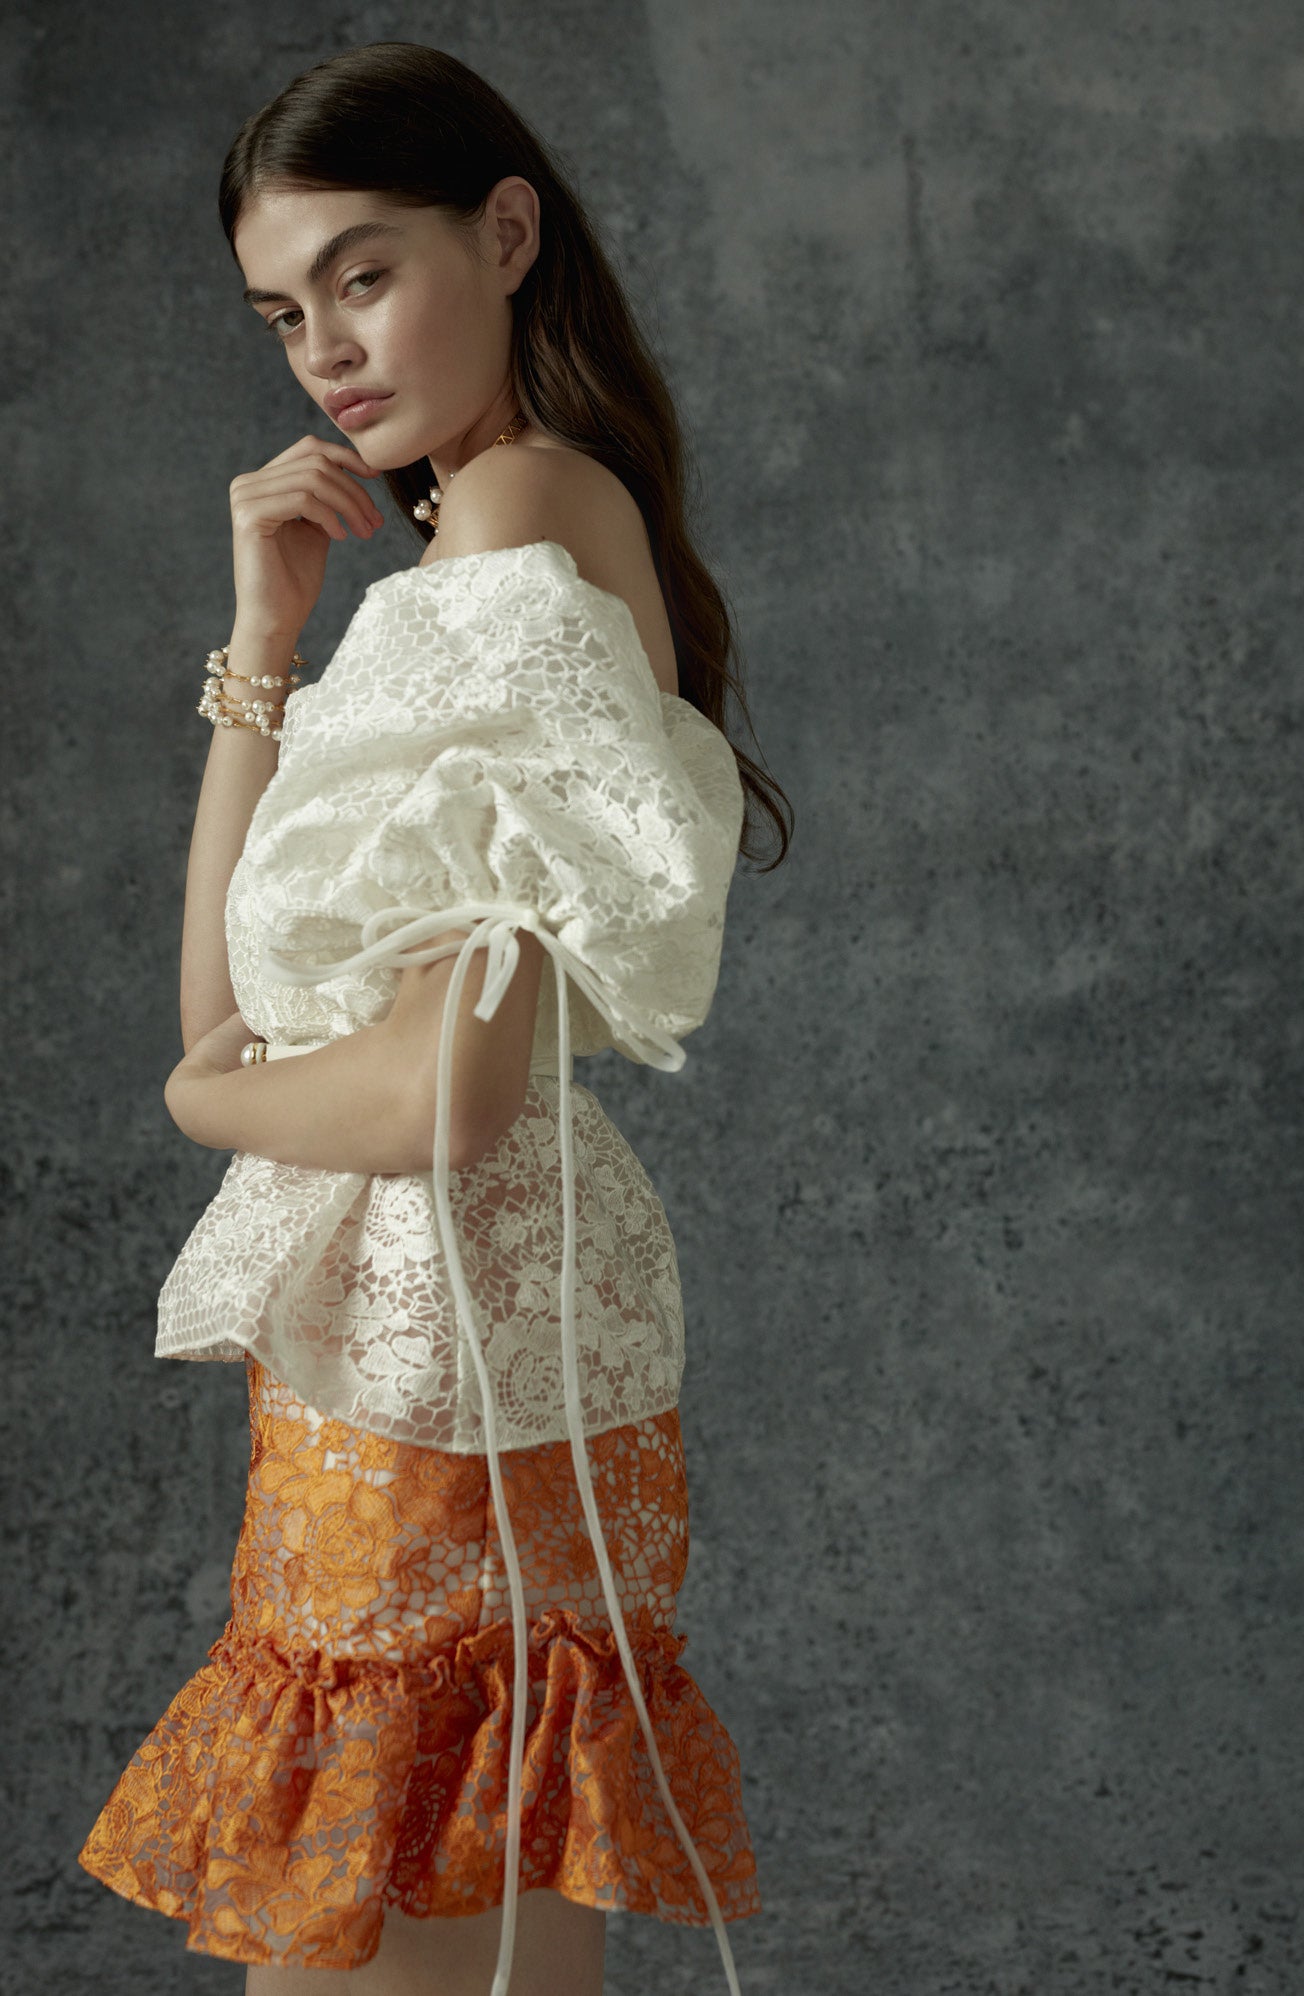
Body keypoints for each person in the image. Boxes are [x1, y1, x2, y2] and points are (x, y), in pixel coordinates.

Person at [76, 40, 792, 1996]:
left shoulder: (521, 514)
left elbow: (430, 1093)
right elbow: (240, 1004)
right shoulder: (469, 545)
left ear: (508, 232)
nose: (324, 349)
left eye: (365, 274)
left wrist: (197, 1106)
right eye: (282, 312)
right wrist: (264, 636)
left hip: (452, 1364)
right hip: (418, 1355)